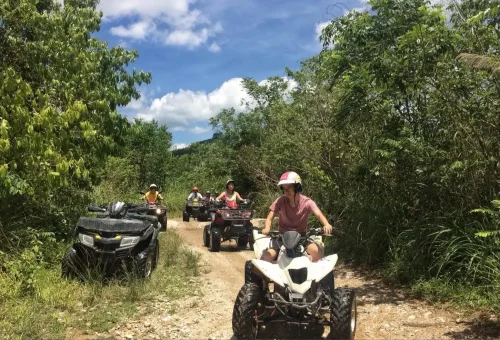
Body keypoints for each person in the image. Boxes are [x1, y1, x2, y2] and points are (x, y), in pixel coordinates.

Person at [261, 171, 333, 262]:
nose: (286, 191)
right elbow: (269, 217)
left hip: (302, 238)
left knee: (317, 252)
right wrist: (267, 228)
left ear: (297, 187)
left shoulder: (307, 202)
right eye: (284, 188)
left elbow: (319, 214)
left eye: (289, 188)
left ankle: (307, 267)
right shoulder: (280, 201)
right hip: (282, 237)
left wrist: (326, 224)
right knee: (266, 257)